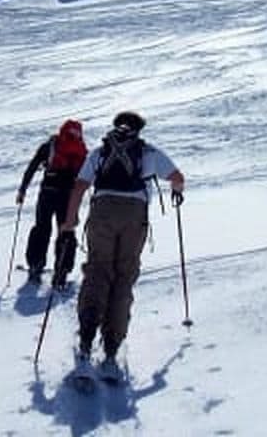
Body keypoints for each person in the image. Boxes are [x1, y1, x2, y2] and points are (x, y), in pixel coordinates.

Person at [60, 111, 184, 376]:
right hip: (134, 215)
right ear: (139, 129)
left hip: (102, 210)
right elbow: (177, 177)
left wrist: (70, 221)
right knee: (123, 276)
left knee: (98, 271)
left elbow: (80, 186)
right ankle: (112, 346)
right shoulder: (148, 152)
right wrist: (176, 192)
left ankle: (86, 336)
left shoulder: (101, 151)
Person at [17, 119, 87, 288]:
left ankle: (36, 266)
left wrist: (22, 190)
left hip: (47, 192)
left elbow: (33, 167)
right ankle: (61, 273)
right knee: (66, 231)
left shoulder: (51, 145)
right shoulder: (81, 149)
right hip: (68, 197)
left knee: (41, 228)